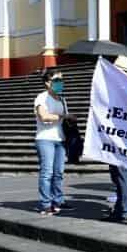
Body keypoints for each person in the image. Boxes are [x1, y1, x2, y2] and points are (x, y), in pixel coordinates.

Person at [34, 70, 75, 216]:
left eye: (61, 80)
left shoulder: (62, 99)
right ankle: (45, 204)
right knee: (47, 173)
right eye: (57, 80)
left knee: (58, 173)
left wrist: (69, 118)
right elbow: (44, 117)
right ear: (47, 82)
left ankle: (58, 200)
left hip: (61, 139)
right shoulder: (42, 98)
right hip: (45, 138)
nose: (60, 83)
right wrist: (64, 116)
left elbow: (61, 119)